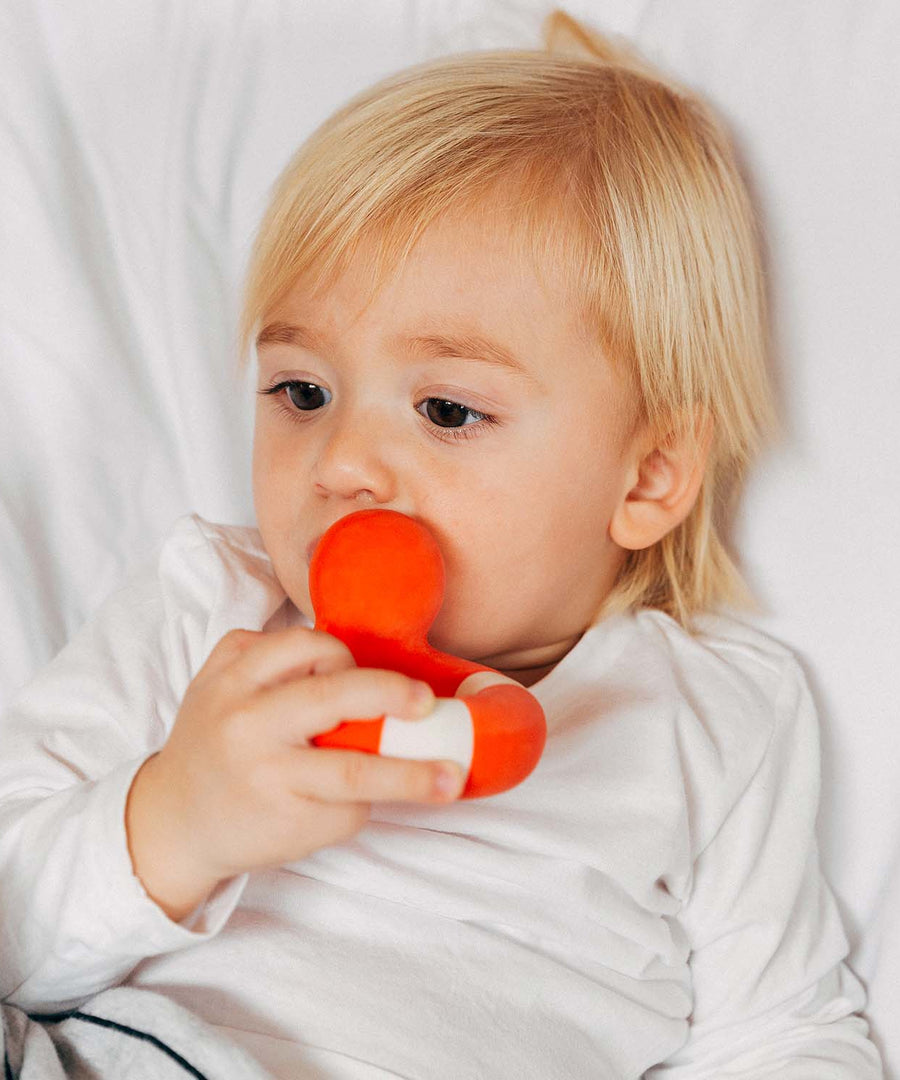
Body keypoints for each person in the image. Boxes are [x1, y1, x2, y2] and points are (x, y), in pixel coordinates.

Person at [0, 9, 884, 1078]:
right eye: (303, 391)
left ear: (649, 476)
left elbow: (785, 1035)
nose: (341, 462)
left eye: (447, 411)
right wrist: (174, 824)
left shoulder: (716, 718)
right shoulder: (215, 614)